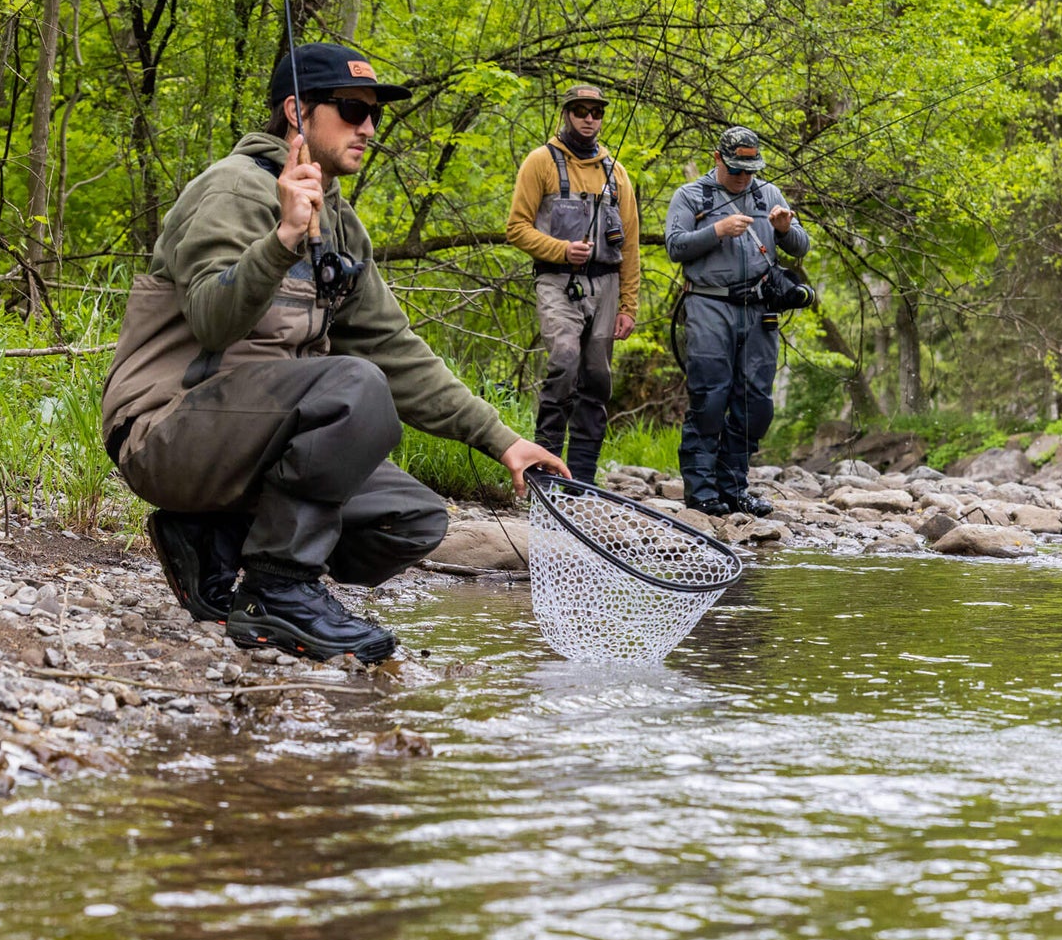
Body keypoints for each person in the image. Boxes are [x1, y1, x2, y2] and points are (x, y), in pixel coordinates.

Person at [101, 43, 566, 664]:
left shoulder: (341, 226)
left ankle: (210, 539)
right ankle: (279, 591)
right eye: (351, 110)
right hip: (167, 432)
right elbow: (213, 321)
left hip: (254, 442)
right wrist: (283, 238)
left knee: (412, 519)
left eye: (374, 115)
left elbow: (395, 350)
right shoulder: (232, 191)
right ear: (297, 111)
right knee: (355, 387)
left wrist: (503, 441)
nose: (368, 128)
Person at [664, 126, 810, 516]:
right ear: (717, 159)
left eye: (750, 170)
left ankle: (734, 487)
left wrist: (784, 230)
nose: (744, 178)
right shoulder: (690, 196)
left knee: (756, 404)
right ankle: (701, 492)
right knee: (710, 397)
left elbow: (802, 244)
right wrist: (716, 231)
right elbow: (675, 246)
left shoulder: (768, 194)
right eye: (735, 170)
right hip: (709, 305)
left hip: (760, 310)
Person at [504, 84, 641, 481]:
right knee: (563, 362)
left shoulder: (617, 173)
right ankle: (545, 470)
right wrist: (561, 250)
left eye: (596, 112)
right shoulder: (540, 162)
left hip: (607, 288)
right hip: (556, 282)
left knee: (597, 378)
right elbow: (515, 229)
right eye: (580, 110)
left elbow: (630, 244)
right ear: (566, 114)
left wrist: (629, 306)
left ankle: (581, 478)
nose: (588, 118)